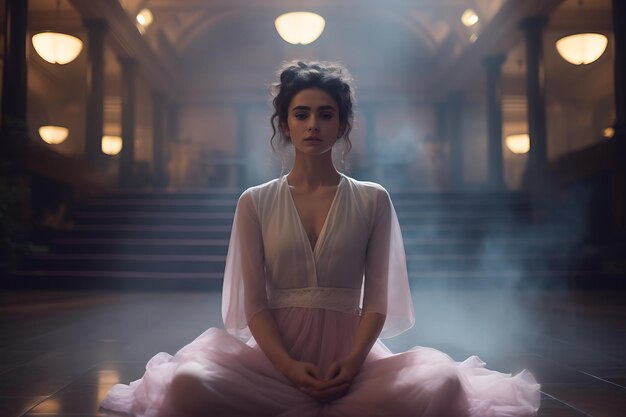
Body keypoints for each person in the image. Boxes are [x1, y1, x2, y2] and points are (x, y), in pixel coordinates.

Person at [101, 61, 540, 417]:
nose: (313, 125)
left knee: (443, 384)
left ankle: (346, 390)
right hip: (272, 361)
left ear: (343, 125)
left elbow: (377, 301)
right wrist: (289, 367)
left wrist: (350, 364)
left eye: (325, 114)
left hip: (354, 360)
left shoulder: (373, 200)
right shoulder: (254, 202)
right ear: (285, 124)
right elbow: (254, 302)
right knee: (187, 385)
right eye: (301, 114)